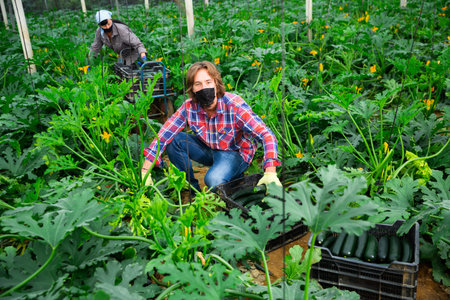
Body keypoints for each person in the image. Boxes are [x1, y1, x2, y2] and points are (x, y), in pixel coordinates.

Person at [141, 61, 282, 192]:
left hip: (235, 153)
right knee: (174, 140)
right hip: (210, 149)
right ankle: (193, 191)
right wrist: (145, 169)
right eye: (198, 84)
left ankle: (234, 180)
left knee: (213, 180)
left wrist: (270, 171)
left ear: (216, 83)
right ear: (192, 88)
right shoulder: (189, 107)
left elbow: (266, 134)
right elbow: (165, 133)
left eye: (208, 82)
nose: (204, 88)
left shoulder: (234, 106)